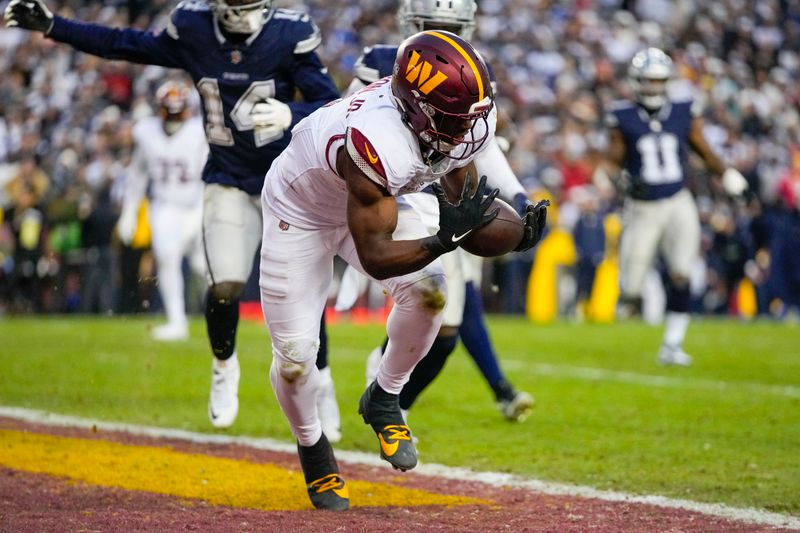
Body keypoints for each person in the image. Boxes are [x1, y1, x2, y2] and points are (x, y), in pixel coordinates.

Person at [5, 0, 341, 427]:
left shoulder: (288, 33)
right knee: (224, 286)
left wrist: (289, 113)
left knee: (305, 296)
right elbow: (121, 43)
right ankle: (223, 367)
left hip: (287, 184)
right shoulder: (195, 27)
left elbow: (332, 107)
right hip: (228, 180)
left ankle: (323, 385)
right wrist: (54, 25)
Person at [258, 30, 547, 510]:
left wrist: (515, 235)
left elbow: (466, 202)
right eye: (454, 121)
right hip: (302, 212)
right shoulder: (376, 141)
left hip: (379, 199)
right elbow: (375, 255)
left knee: (432, 293)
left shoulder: (459, 121)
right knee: (294, 360)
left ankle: (385, 397)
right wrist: (442, 238)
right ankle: (312, 444)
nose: (469, 131)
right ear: (419, 110)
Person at [339, 0, 537, 428]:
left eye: (449, 26)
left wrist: (517, 197)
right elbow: (347, 129)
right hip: (402, 201)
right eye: (431, 25)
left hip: (454, 202)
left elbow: (481, 147)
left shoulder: (475, 69)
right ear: (411, 23)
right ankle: (391, 397)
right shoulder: (382, 61)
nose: (440, 34)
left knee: (452, 323)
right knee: (442, 317)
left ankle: (393, 395)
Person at [607, 47, 748, 366]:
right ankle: (629, 300)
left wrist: (727, 175)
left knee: (683, 271)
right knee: (632, 285)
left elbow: (703, 148)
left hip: (678, 200)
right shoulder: (623, 116)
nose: (653, 87)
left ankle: (672, 343)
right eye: (648, 81)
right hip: (643, 206)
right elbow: (611, 165)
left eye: (658, 81)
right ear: (636, 81)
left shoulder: (683, 111)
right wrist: (622, 182)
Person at [117, 81, 208, 341]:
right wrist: (129, 212)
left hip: (195, 202)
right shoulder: (146, 132)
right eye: (170, 111)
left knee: (203, 268)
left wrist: (200, 212)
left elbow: (211, 176)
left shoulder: (199, 133)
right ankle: (177, 321)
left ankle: (217, 315)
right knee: (167, 257)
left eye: (178, 111)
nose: (174, 118)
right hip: (164, 204)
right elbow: (137, 175)